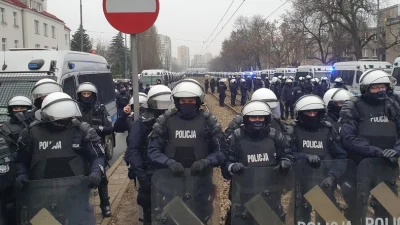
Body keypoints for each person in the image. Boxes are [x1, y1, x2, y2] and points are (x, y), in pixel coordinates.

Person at [15, 92, 105, 224]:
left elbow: (97, 156)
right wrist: (21, 175)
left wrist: (96, 171)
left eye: (66, 117)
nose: (63, 121)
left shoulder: (81, 131)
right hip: (41, 198)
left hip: (76, 196)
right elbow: (20, 160)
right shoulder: (30, 133)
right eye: (59, 118)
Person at [147, 79, 227, 223]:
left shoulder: (209, 121)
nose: (187, 104)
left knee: (201, 217)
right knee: (172, 218)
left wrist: (206, 161)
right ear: (177, 101)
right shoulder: (165, 121)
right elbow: (153, 151)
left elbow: (222, 151)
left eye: (190, 100)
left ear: (198, 101)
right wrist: (168, 162)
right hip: (171, 182)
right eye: (183, 100)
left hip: (201, 182)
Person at [339, 69, 400, 223]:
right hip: (360, 167)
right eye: (376, 87)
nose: (380, 90)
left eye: (383, 87)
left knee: (388, 209)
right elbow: (348, 138)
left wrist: (395, 151)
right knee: (359, 209)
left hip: (387, 167)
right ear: (366, 88)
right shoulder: (353, 106)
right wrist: (377, 152)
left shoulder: (393, 105)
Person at [222, 100, 293, 225]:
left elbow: (287, 155)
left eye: (260, 117)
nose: (257, 120)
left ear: (267, 118)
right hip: (243, 196)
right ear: (246, 118)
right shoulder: (236, 138)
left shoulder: (276, 137)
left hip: (271, 195)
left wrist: (285, 162)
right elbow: (225, 165)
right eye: (253, 117)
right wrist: (232, 167)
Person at [291, 94, 347, 224]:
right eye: (307, 112)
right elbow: (288, 154)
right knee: (299, 217)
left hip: (325, 182)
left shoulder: (328, 130)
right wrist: (304, 157)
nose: (312, 115)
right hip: (300, 183)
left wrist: (333, 176)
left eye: (315, 112)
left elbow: (341, 156)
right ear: (300, 114)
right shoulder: (293, 131)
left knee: (326, 217)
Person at [125, 85, 172, 225]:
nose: (163, 107)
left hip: (173, 175)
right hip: (149, 174)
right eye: (159, 102)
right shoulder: (142, 123)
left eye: (166, 102)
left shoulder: (175, 120)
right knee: (150, 214)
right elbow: (133, 150)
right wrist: (142, 176)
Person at [76, 82, 114, 217]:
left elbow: (109, 127)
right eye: (83, 94)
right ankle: (83, 206)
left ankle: (105, 204)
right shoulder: (74, 109)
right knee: (81, 178)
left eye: (88, 94)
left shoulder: (100, 108)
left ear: (93, 95)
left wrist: (94, 129)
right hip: (79, 150)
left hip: (98, 148)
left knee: (101, 177)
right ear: (79, 95)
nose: (86, 96)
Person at [0, 96, 32, 225]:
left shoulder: (36, 126)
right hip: (12, 172)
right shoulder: (4, 128)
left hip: (33, 169)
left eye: (22, 108)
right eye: (15, 108)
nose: (19, 111)